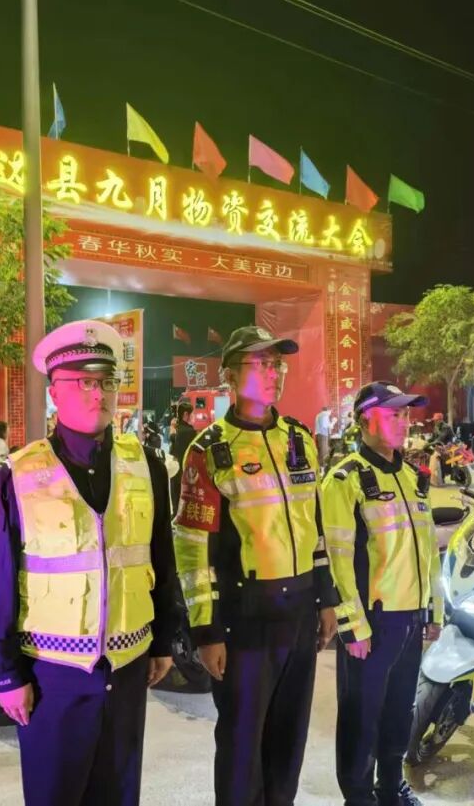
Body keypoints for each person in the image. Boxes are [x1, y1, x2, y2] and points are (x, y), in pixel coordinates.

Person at [0, 320, 178, 806]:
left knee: (119, 793)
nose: (98, 393)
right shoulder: (18, 476)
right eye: (83, 381)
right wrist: (5, 675)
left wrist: (164, 639)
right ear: (55, 391)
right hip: (51, 676)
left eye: (107, 381)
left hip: (128, 667)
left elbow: (160, 557)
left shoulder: (146, 465)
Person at [173, 325, 338, 806]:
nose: (274, 373)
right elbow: (193, 547)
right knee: (242, 746)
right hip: (245, 621)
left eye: (277, 364)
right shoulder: (209, 451)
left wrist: (326, 599)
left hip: (300, 613)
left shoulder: (299, 439)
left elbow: (314, 526)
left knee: (289, 741)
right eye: (261, 364)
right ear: (229, 375)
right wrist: (207, 631)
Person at [321, 382, 443, 806]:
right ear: (365, 420)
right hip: (372, 623)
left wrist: (434, 611)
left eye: (406, 414)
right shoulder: (345, 479)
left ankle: (391, 789)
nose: (404, 422)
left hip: (411, 617)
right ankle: (359, 798)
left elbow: (429, 552)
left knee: (399, 712)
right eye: (393, 414)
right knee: (362, 718)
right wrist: (352, 625)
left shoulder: (411, 477)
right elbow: (336, 559)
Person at [168, 400, 197, 505]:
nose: (194, 417)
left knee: (175, 501)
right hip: (185, 474)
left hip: (174, 472)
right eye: (192, 414)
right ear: (186, 414)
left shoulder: (176, 430)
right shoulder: (190, 431)